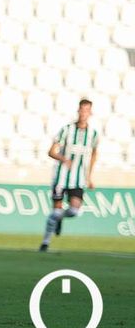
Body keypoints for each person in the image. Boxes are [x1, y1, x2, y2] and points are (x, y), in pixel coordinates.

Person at [40, 99, 99, 252]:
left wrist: (89, 176)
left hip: (78, 179)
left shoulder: (92, 134)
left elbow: (94, 154)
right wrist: (63, 159)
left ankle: (59, 218)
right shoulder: (66, 130)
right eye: (82, 110)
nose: (84, 113)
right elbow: (51, 151)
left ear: (90, 113)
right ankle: (45, 243)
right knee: (55, 211)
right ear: (78, 111)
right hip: (61, 177)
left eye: (87, 110)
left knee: (73, 211)